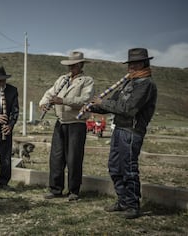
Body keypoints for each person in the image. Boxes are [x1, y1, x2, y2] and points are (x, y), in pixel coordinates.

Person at [87, 48, 157, 219]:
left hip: (132, 132)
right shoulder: (128, 83)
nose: (131, 67)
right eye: (130, 64)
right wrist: (92, 106)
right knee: (114, 167)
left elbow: (129, 109)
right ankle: (123, 201)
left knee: (129, 169)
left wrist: (102, 102)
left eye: (135, 63)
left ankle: (133, 205)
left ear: (143, 64)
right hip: (119, 130)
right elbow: (112, 103)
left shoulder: (146, 84)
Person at [39, 51, 94, 201]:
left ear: (81, 65)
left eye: (74, 66)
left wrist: (63, 100)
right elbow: (49, 93)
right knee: (56, 157)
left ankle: (73, 191)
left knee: (74, 158)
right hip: (61, 122)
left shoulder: (87, 81)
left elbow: (85, 100)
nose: (71, 69)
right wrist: (44, 103)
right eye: (69, 66)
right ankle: (56, 189)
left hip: (76, 123)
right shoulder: (62, 79)